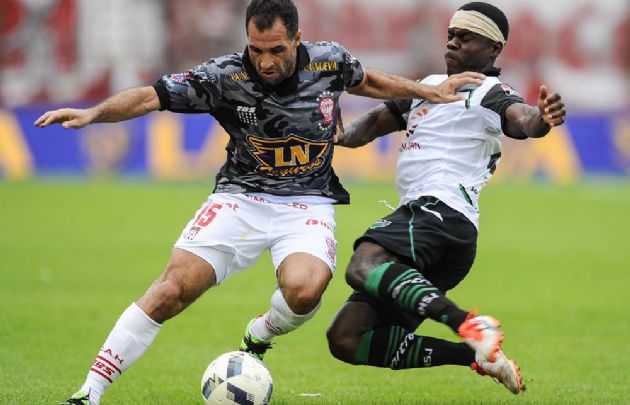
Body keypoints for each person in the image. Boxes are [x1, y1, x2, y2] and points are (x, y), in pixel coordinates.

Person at [35, 1, 484, 404]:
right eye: (256, 49)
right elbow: (151, 96)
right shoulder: (223, 76)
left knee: (305, 291)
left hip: (307, 202)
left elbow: (368, 81)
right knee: (170, 291)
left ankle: (260, 331)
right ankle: (89, 392)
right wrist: (94, 112)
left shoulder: (329, 60)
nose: (265, 61)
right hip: (240, 198)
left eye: (276, 50)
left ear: (297, 39)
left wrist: (427, 91)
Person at [326, 1, 566, 395]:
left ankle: (467, 324)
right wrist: (337, 133)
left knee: (363, 265)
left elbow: (523, 120)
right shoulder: (430, 86)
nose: (452, 43)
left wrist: (543, 119)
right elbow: (368, 127)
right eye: (451, 35)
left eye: (466, 38)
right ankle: (476, 356)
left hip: (438, 212)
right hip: (439, 232)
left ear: (493, 49)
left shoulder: (489, 91)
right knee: (347, 338)